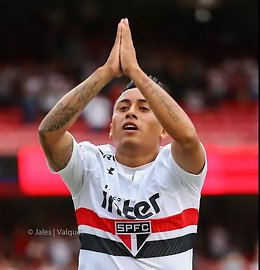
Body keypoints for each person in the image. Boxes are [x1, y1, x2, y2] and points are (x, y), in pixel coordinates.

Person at [38, 18, 207, 269]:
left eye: (143, 108)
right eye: (123, 107)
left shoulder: (177, 166)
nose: (131, 113)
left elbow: (189, 138)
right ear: (110, 128)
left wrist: (135, 72)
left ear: (164, 129)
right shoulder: (89, 165)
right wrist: (107, 71)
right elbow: (48, 132)